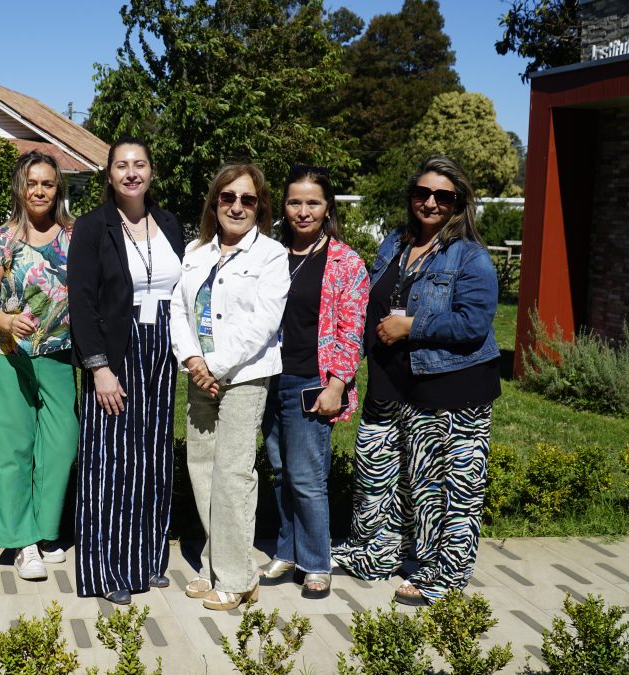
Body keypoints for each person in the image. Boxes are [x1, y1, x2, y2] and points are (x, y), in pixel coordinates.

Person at [332, 156, 500, 606]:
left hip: (451, 386)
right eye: (422, 193)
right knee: (379, 471)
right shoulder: (396, 242)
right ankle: (375, 552)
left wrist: (412, 326)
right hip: (394, 380)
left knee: (448, 487)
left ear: (457, 203)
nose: (430, 202)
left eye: (442, 196)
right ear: (411, 198)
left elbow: (474, 324)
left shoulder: (470, 256)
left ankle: (443, 575)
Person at [67, 136, 184, 605]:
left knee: (153, 458)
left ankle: (147, 559)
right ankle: (106, 568)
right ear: (109, 175)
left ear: (151, 171)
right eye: (121, 165)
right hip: (117, 349)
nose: (131, 173)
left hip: (164, 348)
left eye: (139, 164)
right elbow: (82, 301)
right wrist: (98, 367)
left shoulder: (171, 223)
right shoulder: (94, 228)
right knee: (109, 462)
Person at [170, 163, 289, 610]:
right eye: (228, 197)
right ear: (215, 201)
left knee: (233, 474)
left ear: (259, 208)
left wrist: (214, 366)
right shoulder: (196, 250)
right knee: (201, 468)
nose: (236, 206)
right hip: (199, 374)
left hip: (243, 377)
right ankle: (214, 561)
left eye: (247, 199)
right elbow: (179, 313)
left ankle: (239, 578)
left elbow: (263, 325)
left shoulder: (271, 255)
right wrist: (193, 361)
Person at [260, 165, 369, 599]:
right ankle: (287, 551)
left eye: (313, 203)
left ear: (327, 209)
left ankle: (316, 561)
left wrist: (337, 385)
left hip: (312, 379)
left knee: (307, 477)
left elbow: (351, 329)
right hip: (268, 377)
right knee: (281, 471)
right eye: (294, 202)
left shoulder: (346, 263)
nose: (303, 211)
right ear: (283, 206)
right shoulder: (269, 255)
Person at [0, 151, 79, 580]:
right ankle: (23, 543)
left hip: (59, 355)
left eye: (48, 184)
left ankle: (45, 528)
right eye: (32, 183)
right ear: (20, 188)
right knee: (15, 448)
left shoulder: (76, 237)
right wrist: (7, 321)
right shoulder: (1, 241)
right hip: (8, 356)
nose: (39, 191)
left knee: (61, 444)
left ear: (58, 189)